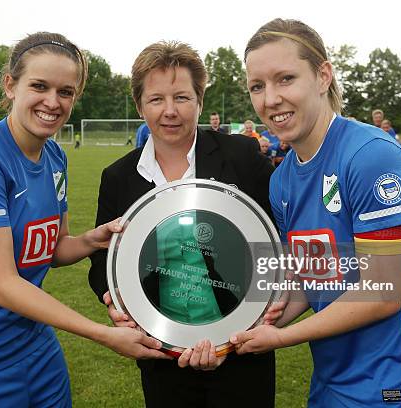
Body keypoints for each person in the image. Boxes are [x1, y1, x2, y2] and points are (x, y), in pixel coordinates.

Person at [0, 32, 168, 408]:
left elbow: (53, 248)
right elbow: (1, 284)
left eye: (66, 92)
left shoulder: (55, 158)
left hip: (32, 345)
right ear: (11, 85)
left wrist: (93, 239)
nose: (53, 102)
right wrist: (101, 333)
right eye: (39, 86)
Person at [230, 19, 401, 408]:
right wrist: (239, 329)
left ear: (323, 76)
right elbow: (311, 278)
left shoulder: (370, 156)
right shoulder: (281, 181)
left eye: (285, 79)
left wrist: (279, 338)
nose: (270, 99)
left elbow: (382, 292)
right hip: (331, 386)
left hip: (394, 387)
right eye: (257, 86)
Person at [88, 41, 276, 408]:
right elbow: (102, 261)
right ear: (140, 105)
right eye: (156, 99)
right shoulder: (118, 177)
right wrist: (113, 301)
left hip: (242, 353)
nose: (170, 111)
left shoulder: (241, 155)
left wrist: (242, 331)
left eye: (182, 97)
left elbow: (274, 242)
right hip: (161, 354)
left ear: (200, 101)